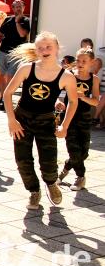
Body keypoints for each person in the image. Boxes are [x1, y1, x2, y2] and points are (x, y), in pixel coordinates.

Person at [3, 32, 78, 209]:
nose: (44, 50)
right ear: (36, 50)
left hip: (46, 122)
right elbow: (7, 93)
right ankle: (34, 191)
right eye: (41, 47)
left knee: (49, 161)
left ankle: (51, 184)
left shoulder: (66, 76)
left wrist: (65, 126)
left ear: (57, 49)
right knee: (23, 160)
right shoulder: (27, 69)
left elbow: (73, 101)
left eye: (48, 47)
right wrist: (11, 120)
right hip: (23, 120)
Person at [56, 48, 99, 191]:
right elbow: (56, 92)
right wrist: (58, 101)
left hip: (85, 118)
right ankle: (81, 177)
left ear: (91, 62)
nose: (80, 64)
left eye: (84, 61)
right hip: (69, 117)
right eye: (78, 60)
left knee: (84, 152)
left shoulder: (94, 79)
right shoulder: (69, 76)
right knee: (73, 148)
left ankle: (65, 170)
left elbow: (96, 101)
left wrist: (83, 97)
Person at [0, 0, 31, 108]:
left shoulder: (26, 20)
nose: (18, 8)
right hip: (3, 51)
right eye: (16, 6)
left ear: (24, 8)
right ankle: (1, 98)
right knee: (1, 75)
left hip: (17, 53)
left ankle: (8, 100)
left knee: (11, 76)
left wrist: (17, 22)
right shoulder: (7, 19)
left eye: (20, 6)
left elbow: (22, 34)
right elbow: (0, 35)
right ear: (13, 8)